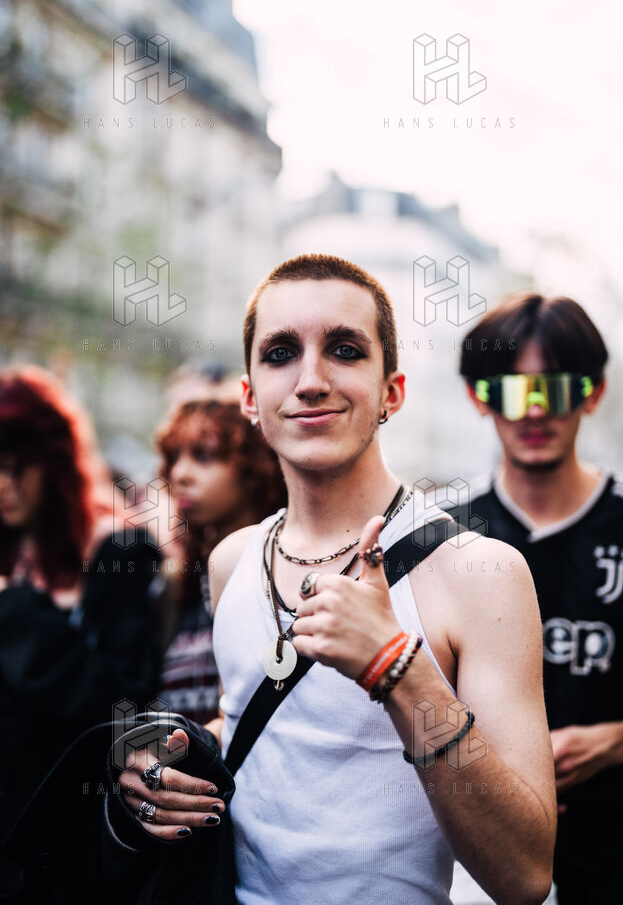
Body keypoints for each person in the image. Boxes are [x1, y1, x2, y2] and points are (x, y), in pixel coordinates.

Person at [119, 255, 556, 905]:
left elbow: (523, 874)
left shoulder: (478, 573)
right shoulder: (232, 561)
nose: (311, 381)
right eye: (280, 354)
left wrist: (397, 669)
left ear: (391, 392)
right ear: (249, 397)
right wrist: (167, 761)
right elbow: (273, 735)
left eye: (345, 350)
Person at [458, 293, 623, 904]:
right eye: (510, 390)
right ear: (479, 397)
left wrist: (614, 741)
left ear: (592, 393)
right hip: (474, 863)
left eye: (553, 390)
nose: (533, 411)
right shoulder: (441, 538)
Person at [0, 366, 162, 842]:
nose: (2, 485)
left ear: (53, 462)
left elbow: (124, 705)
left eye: (15, 467)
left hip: (70, 827)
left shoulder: (118, 551)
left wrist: (15, 611)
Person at [154, 399, 287, 724]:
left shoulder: (285, 575)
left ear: (253, 466)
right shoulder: (177, 585)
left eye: (203, 456)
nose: (180, 474)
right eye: (174, 457)